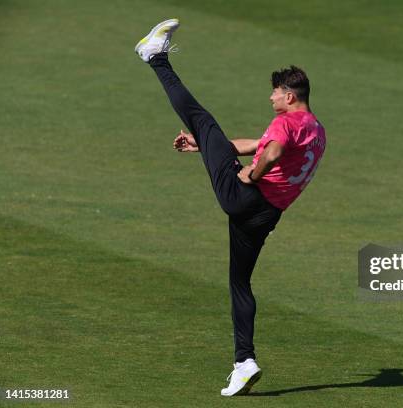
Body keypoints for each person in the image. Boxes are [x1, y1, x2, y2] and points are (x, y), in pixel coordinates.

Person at [134, 19, 326, 396]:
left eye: (274, 93)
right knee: (240, 282)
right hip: (266, 215)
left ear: (289, 95)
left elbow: (269, 152)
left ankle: (154, 57)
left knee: (202, 119)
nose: (270, 98)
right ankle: (244, 362)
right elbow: (259, 144)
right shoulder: (315, 129)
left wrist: (253, 175)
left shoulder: (287, 123)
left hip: (245, 196)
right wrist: (208, 147)